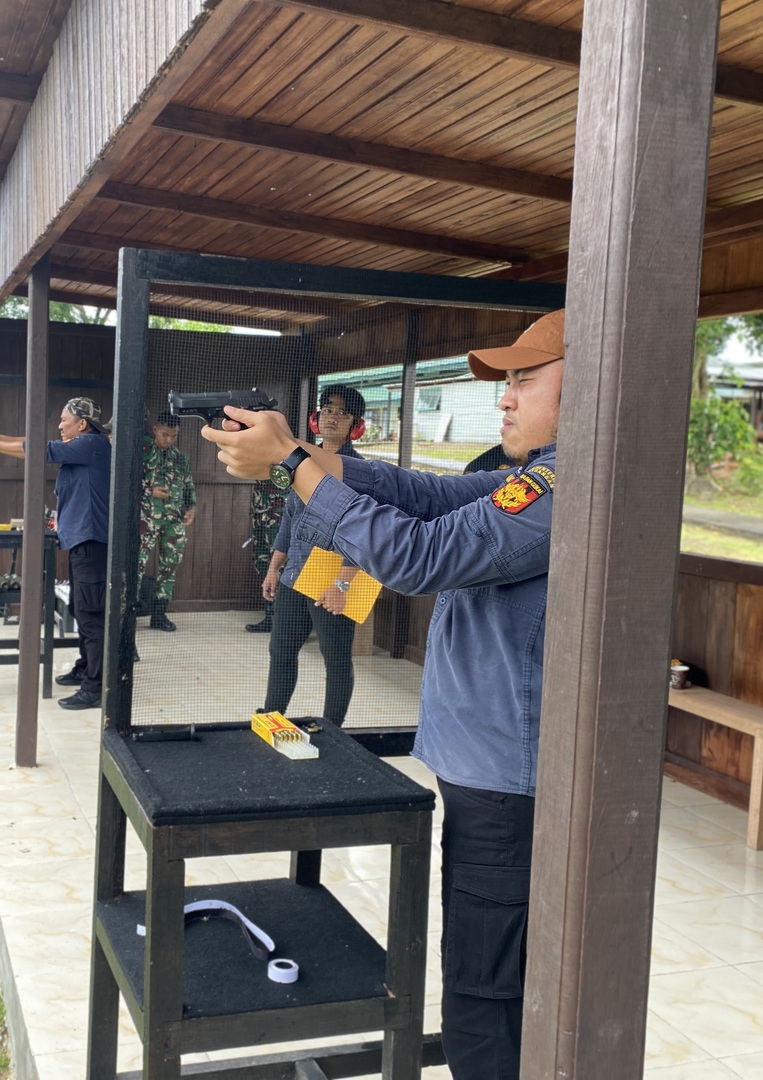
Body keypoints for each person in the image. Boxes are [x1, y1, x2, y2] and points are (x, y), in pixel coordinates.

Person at [202, 309, 567, 1080]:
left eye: (526, 379)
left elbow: (418, 552)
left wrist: (294, 465)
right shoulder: (534, 476)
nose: (506, 398)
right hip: (493, 776)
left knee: (482, 998)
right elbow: (424, 496)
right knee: (484, 981)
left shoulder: (568, 484)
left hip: (509, 787)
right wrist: (302, 452)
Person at [0, 398, 111, 710]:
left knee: (90, 617)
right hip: (82, 543)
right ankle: (86, 668)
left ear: (82, 424)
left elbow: (39, 451)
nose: (60, 425)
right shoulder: (86, 446)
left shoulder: (89, 443)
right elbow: (38, 444)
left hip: (91, 543)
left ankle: (95, 686)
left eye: (65, 420)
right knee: (80, 609)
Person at [259, 384, 366, 724]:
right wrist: (274, 568)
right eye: (328, 410)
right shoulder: (299, 461)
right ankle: (271, 718)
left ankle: (334, 730)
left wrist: (344, 585)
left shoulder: (361, 470)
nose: (333, 417)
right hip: (298, 567)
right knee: (281, 652)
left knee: (335, 659)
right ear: (315, 418)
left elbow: (366, 534)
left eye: (343, 412)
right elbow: (289, 519)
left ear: (356, 425)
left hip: (341, 570)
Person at [138, 411, 195, 632]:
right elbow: (126, 478)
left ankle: (159, 615)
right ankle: (128, 615)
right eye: (165, 435)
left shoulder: (180, 458)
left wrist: (192, 507)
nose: (169, 440)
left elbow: (188, 484)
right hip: (145, 518)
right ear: (154, 430)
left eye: (173, 435)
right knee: (137, 565)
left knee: (169, 566)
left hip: (174, 520)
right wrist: (149, 490)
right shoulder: (141, 451)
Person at [245, 480, 288, 632]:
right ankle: (270, 618)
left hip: (280, 511)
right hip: (260, 510)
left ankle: (287, 622)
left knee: (281, 565)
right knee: (262, 561)